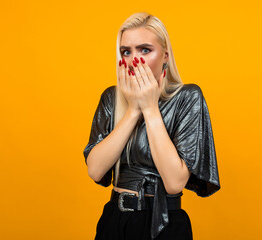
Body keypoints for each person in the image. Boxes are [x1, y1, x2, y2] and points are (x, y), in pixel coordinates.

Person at [83, 12, 221, 240]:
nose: (132, 59)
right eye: (126, 51)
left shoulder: (188, 97)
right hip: (114, 221)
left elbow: (175, 183)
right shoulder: (111, 97)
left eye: (145, 50)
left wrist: (149, 108)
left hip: (163, 223)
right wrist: (133, 109)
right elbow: (95, 170)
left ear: (165, 55)